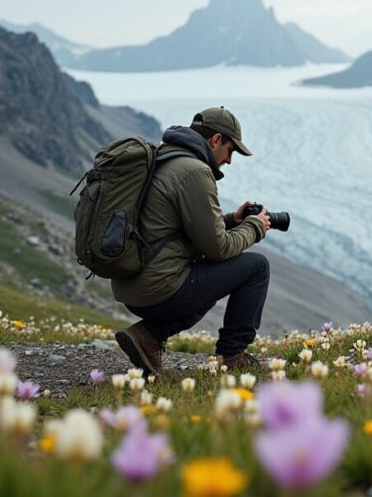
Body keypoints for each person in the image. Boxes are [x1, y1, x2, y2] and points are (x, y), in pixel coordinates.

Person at [112, 106, 271, 376]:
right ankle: (233, 356)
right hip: (158, 289)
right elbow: (218, 249)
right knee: (256, 266)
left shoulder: (164, 156)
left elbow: (183, 227)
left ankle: (147, 336)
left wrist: (234, 219)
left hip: (130, 285)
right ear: (216, 140)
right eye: (231, 150)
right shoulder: (195, 171)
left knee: (205, 275)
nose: (229, 161)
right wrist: (255, 227)